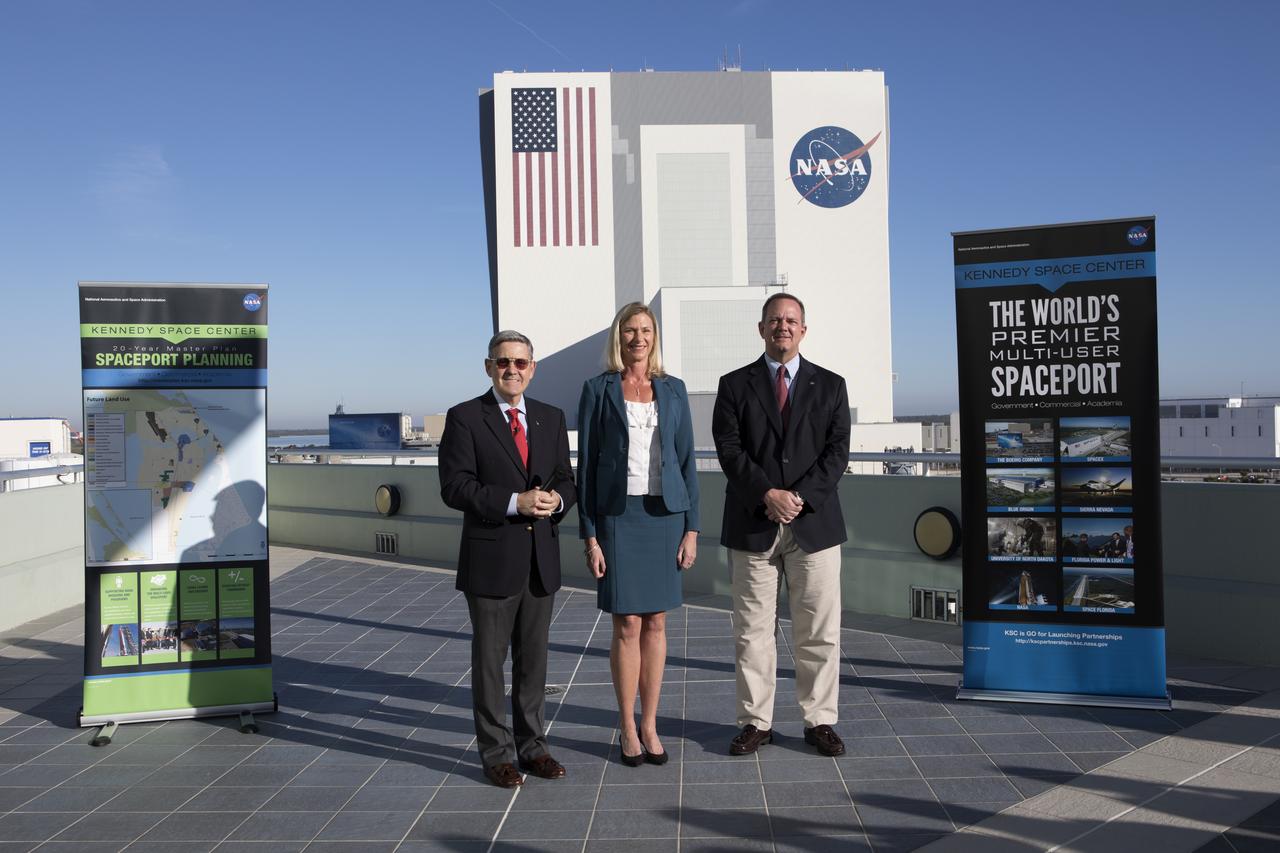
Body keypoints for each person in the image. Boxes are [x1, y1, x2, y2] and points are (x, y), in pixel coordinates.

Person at [712, 293, 851, 758]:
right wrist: (766, 494)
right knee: (752, 632)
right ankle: (756, 722)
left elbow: (837, 454)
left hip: (814, 525)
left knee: (819, 631)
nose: (783, 327)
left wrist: (798, 498)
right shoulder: (733, 385)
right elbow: (729, 450)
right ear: (761, 328)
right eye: (775, 320)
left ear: (804, 330)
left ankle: (820, 721)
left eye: (791, 320)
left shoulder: (831, 385)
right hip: (754, 523)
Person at [439, 330, 577, 789]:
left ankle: (533, 747)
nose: (512, 370)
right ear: (488, 367)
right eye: (503, 362)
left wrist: (555, 501)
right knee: (490, 664)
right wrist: (514, 502)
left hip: (541, 560)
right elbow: (454, 487)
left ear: (532, 368)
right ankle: (496, 754)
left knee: (533, 664)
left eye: (520, 362)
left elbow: (567, 480)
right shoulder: (464, 418)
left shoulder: (550, 417)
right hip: (491, 561)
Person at [577, 303, 699, 767]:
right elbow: (586, 466)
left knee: (658, 623)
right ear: (618, 336)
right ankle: (626, 725)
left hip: (665, 516)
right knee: (626, 623)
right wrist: (589, 536)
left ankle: (650, 724)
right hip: (616, 517)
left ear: (655, 336)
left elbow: (687, 462)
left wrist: (693, 528)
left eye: (646, 330)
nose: (638, 338)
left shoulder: (674, 390)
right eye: (630, 330)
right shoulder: (597, 389)